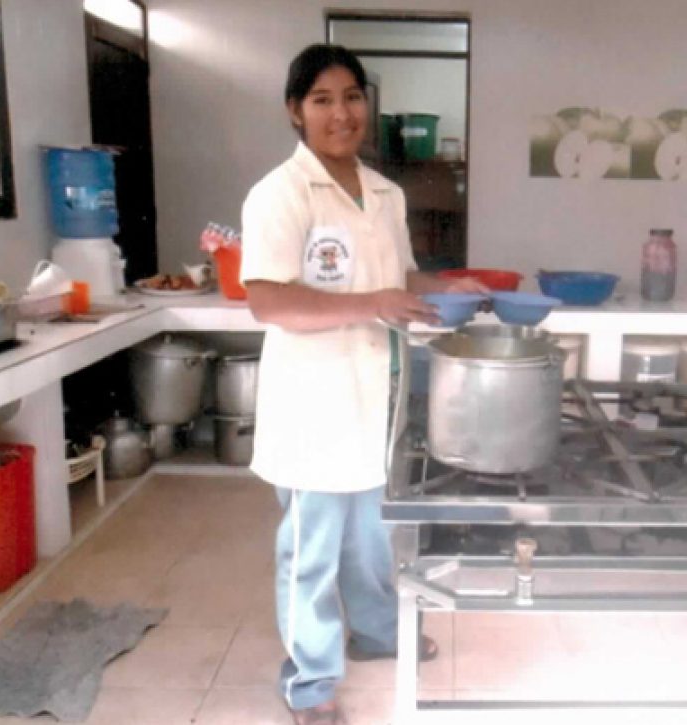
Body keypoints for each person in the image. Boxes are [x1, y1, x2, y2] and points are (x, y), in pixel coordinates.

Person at [238, 44, 484, 725]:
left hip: (377, 394)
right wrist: (374, 303)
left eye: (352, 97)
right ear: (295, 111)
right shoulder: (280, 194)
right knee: (311, 550)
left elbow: (395, 278)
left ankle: (377, 632)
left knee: (373, 535)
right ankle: (311, 682)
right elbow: (268, 301)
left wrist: (446, 285)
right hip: (314, 402)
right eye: (322, 100)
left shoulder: (385, 194)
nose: (341, 113)